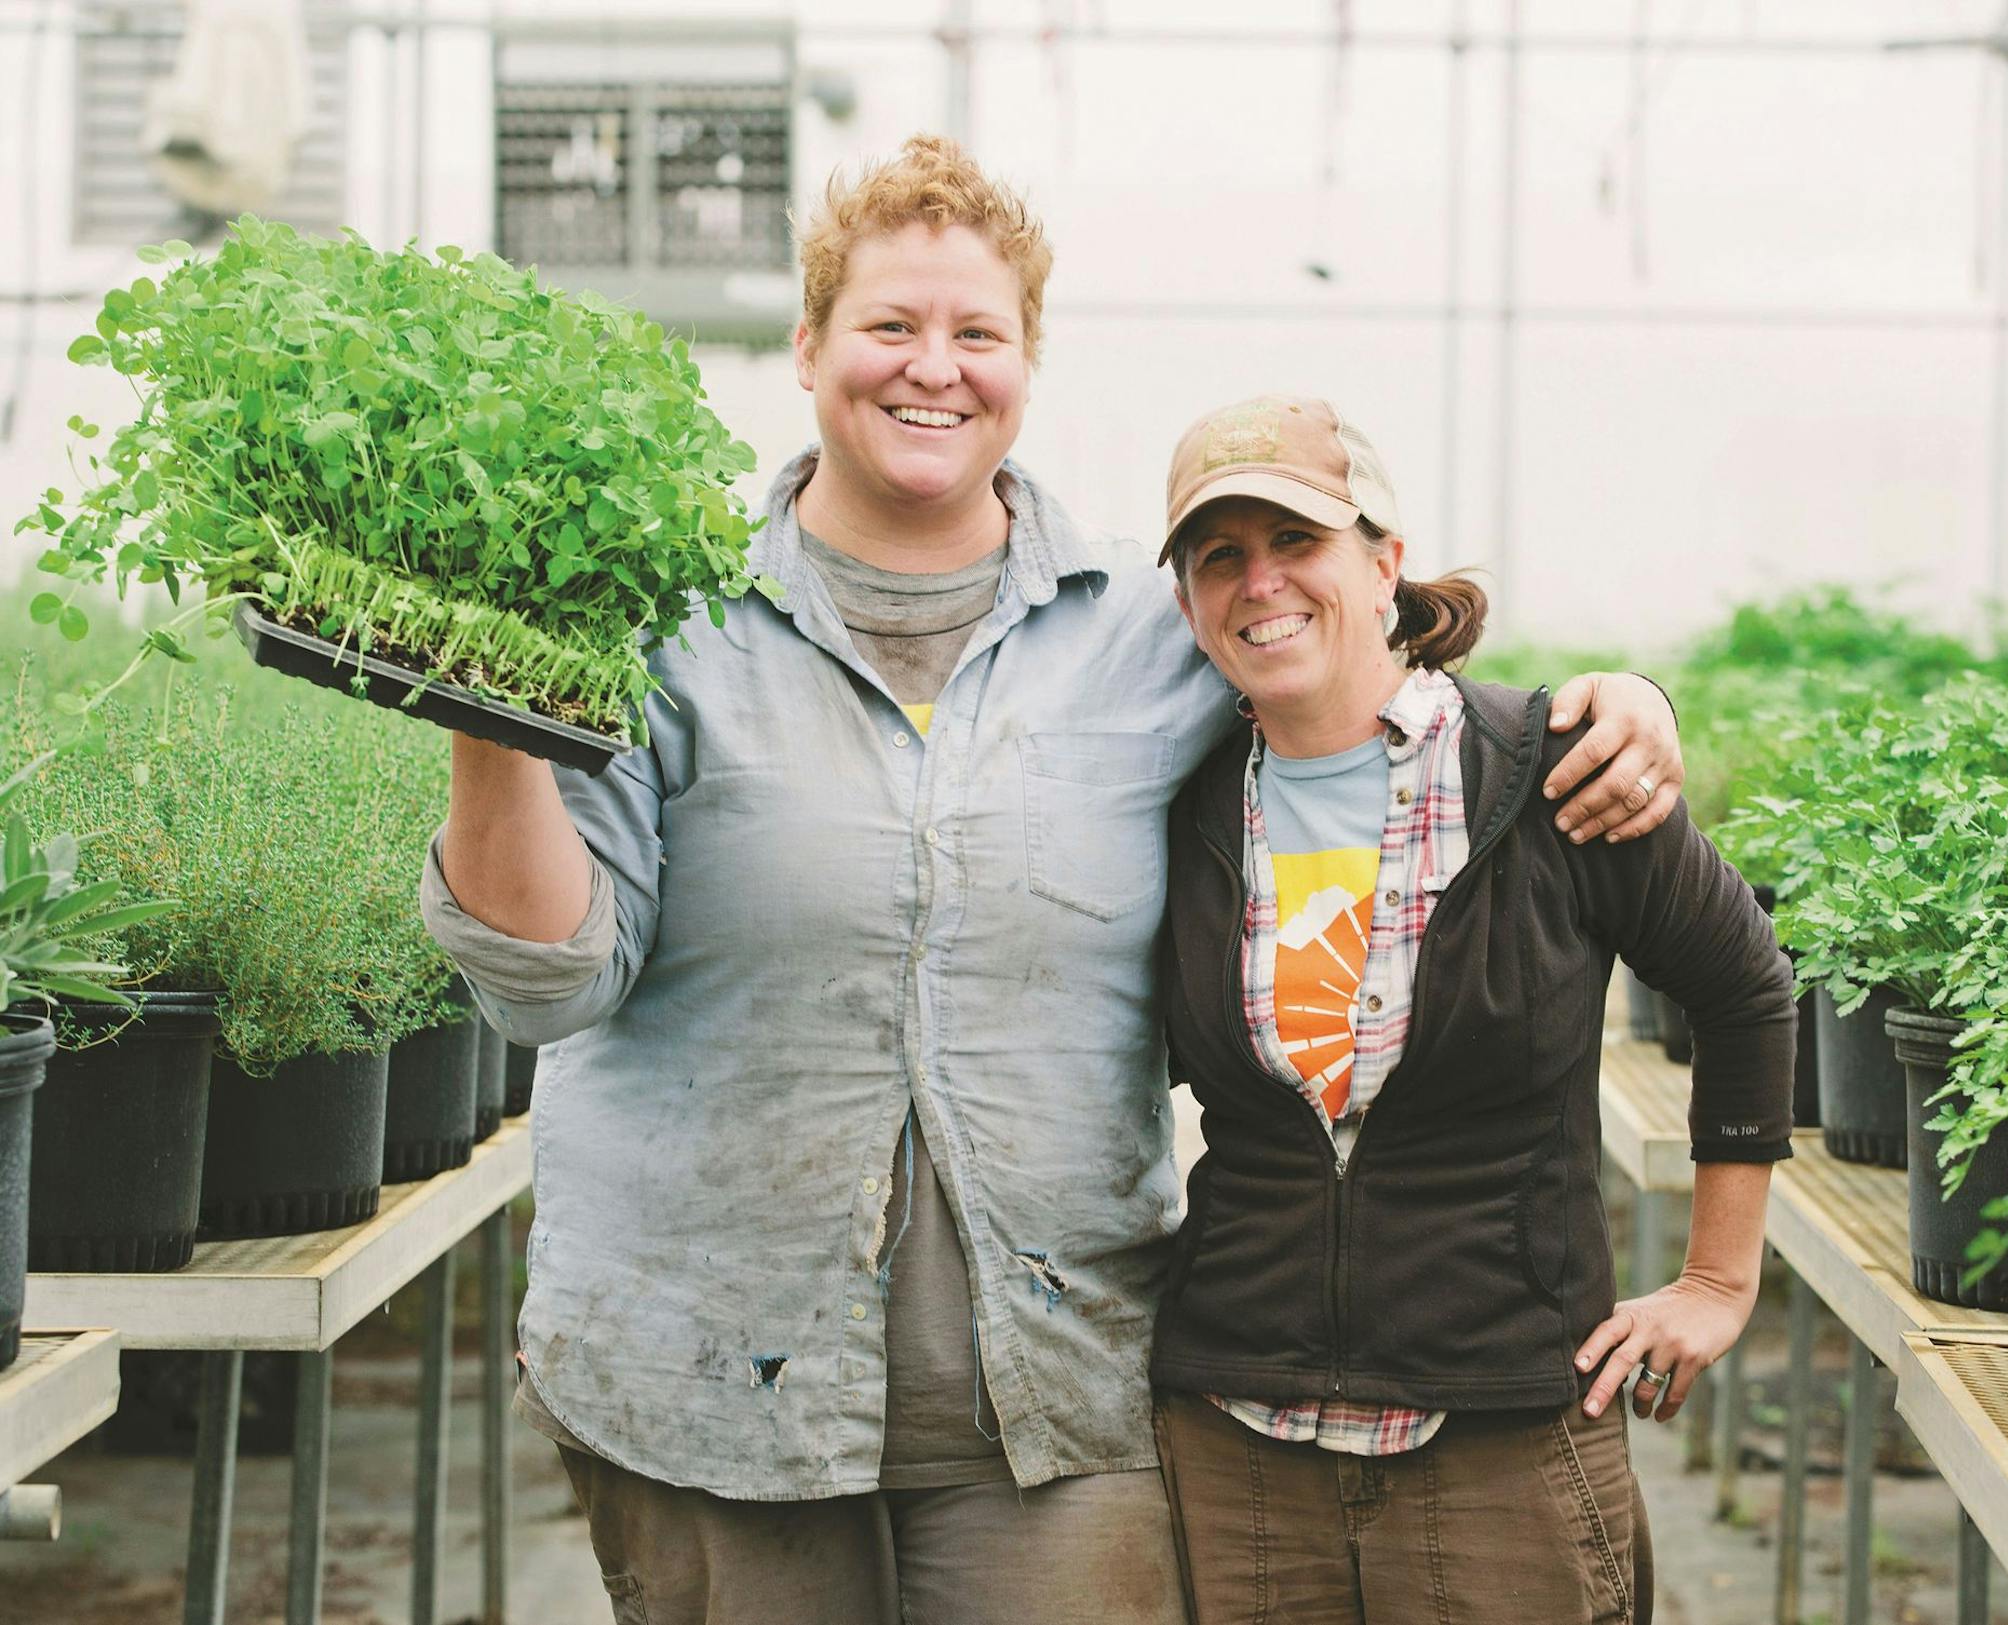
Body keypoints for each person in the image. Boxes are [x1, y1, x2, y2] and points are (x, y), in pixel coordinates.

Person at [420, 140, 1688, 1625]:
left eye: (978, 334)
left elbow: (1369, 686)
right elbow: (547, 981)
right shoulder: (659, 626)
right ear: (810, 345)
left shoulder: (1153, 636)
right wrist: (486, 712)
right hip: (703, 1378)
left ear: (1029, 361)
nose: (932, 371)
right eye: (890, 326)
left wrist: (1608, 704)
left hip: (1058, 1388)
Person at [1149, 395, 1795, 1625]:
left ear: (1384, 564)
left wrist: (1718, 1278)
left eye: (1297, 541)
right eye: (1218, 555)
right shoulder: (1176, 807)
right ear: (1187, 603)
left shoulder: (1550, 772)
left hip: (1503, 1445)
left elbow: (1746, 988)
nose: (1259, 582)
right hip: (1239, 1453)